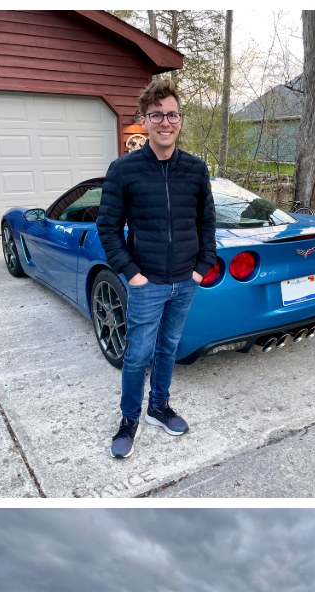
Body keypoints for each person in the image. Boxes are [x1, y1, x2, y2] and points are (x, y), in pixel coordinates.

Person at [97, 79, 216, 460]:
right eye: (157, 115)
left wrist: (200, 268)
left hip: (186, 280)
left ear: (180, 120)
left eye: (172, 114)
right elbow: (108, 227)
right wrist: (131, 272)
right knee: (137, 355)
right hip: (145, 282)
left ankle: (158, 407)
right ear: (144, 121)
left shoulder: (196, 170)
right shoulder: (123, 170)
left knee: (168, 348)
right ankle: (129, 418)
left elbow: (207, 223)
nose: (166, 122)